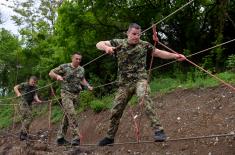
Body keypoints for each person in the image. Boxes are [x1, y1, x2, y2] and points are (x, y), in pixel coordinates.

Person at [96, 23, 186, 146]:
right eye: (133, 34)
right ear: (127, 33)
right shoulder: (118, 42)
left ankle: (159, 131)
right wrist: (106, 48)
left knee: (144, 98)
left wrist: (175, 56)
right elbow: (99, 44)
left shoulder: (144, 45)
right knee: (116, 110)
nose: (136, 37)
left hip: (140, 80)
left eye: (138, 34)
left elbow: (159, 52)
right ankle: (109, 137)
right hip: (124, 84)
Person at [49, 52, 93, 146]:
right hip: (66, 94)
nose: (78, 61)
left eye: (80, 59)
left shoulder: (81, 69)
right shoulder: (64, 67)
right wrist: (57, 76)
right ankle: (76, 137)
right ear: (72, 58)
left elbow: (82, 79)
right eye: (76, 59)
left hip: (76, 95)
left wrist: (88, 86)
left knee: (67, 116)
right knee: (72, 114)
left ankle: (60, 138)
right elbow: (51, 73)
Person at [14, 76, 42, 141]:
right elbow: (15, 87)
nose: (33, 83)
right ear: (29, 80)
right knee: (29, 117)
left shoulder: (35, 87)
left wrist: (38, 100)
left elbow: (35, 95)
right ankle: (23, 134)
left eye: (34, 82)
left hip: (29, 104)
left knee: (26, 119)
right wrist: (18, 93)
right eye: (32, 82)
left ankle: (24, 134)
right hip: (23, 102)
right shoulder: (24, 84)